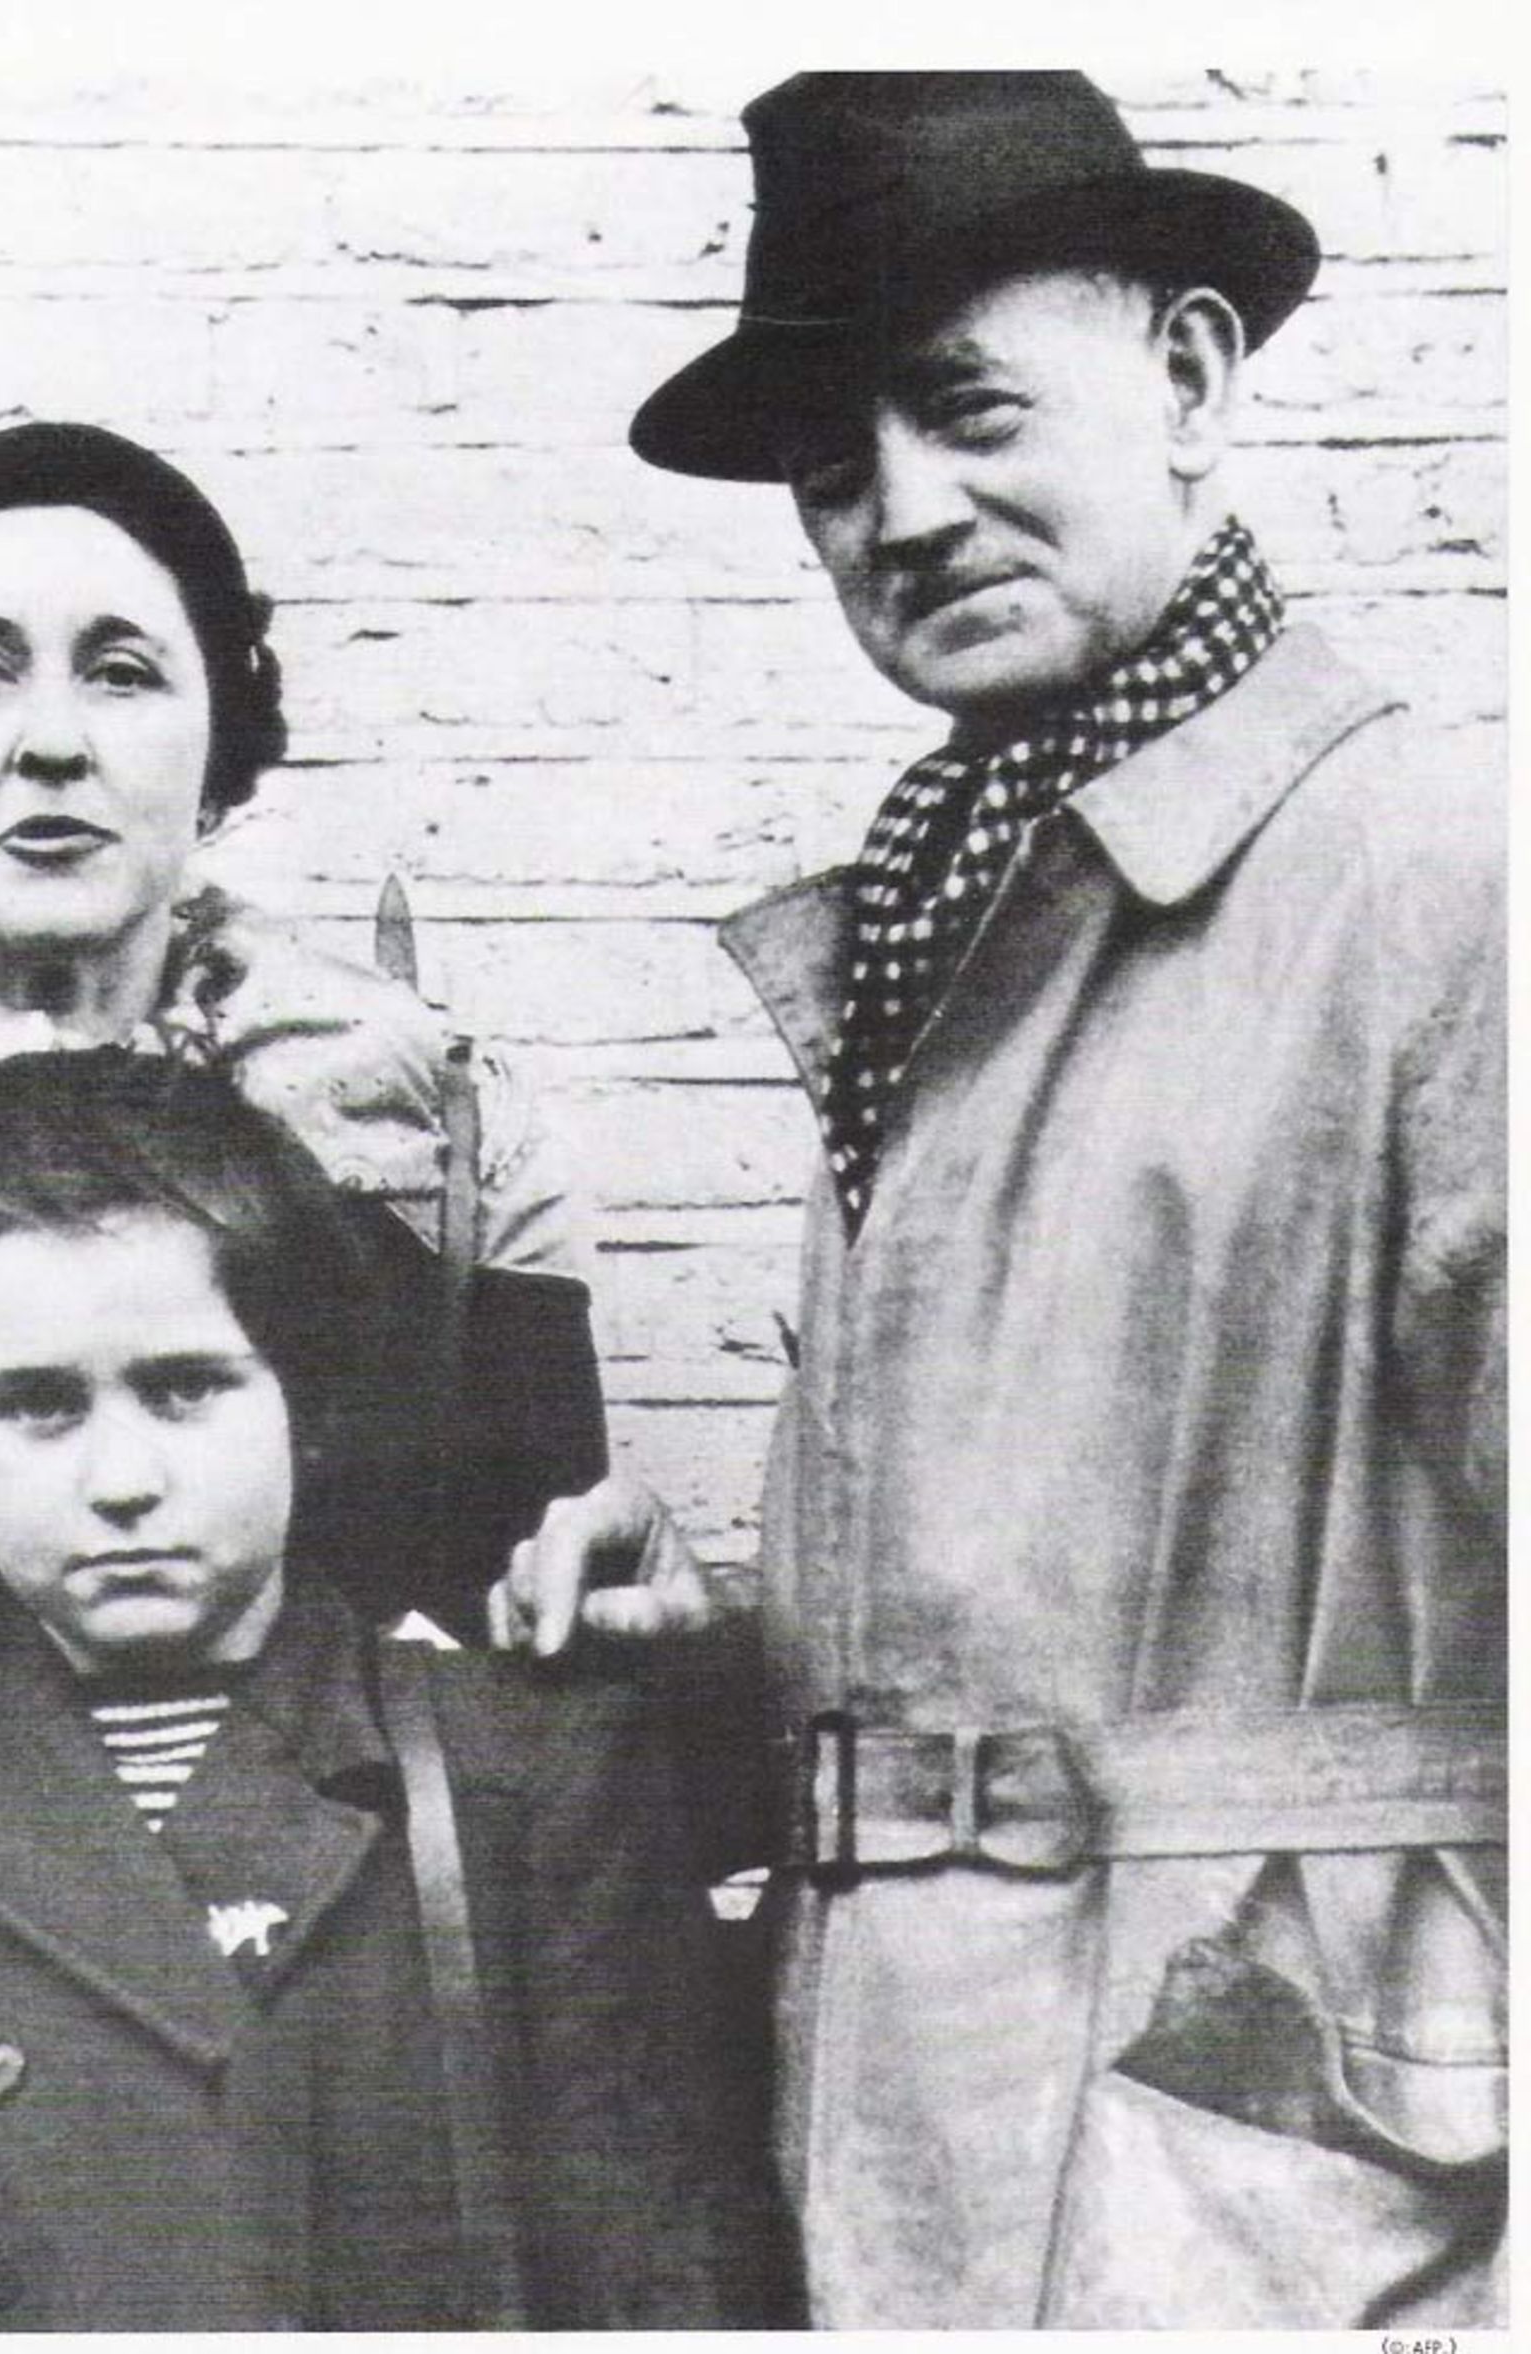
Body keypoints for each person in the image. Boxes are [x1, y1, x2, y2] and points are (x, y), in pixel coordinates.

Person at [492, 72, 1505, 2329]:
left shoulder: (1449, 893)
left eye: (967, 410)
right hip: (889, 2178)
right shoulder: (949, 905)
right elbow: (1048, 1637)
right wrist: (741, 1655)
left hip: (1301, 2244)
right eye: (835, 467)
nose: (906, 512)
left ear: (1191, 380)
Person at [0, 421, 607, 2328]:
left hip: (307, 2129)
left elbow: (538, 1695)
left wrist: (625, 1605)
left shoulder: (425, 1141)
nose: (52, 741)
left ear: (220, 758)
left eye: (126, 671)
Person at [0, 1048, 776, 2332]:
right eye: (37, 1405)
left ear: (302, 1403)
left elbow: (651, 2276)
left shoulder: (514, 1769)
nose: (121, 1479)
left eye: (185, 1387)